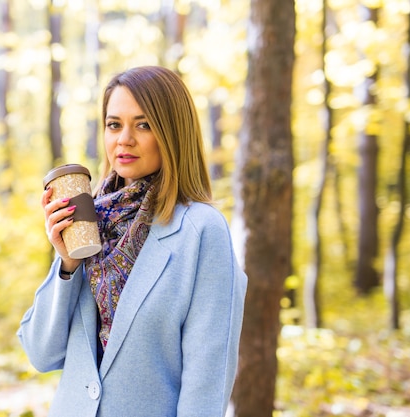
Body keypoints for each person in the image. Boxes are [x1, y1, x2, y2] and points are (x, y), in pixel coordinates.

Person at [17, 65, 247, 417]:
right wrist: (66, 265)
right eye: (114, 124)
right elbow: (41, 353)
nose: (124, 139)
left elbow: (207, 380)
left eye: (143, 124)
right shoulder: (87, 222)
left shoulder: (201, 230)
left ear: (172, 133)